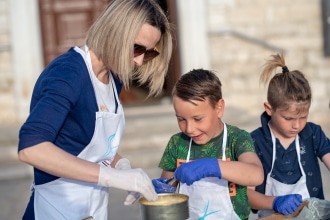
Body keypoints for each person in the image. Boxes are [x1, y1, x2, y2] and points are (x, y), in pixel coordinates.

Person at [18, 0, 173, 219]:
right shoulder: (68, 74)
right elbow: (31, 148)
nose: (139, 62)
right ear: (113, 31)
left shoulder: (114, 78)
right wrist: (111, 177)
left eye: (148, 53)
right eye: (136, 48)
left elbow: (86, 142)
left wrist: (121, 166)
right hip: (55, 210)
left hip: (92, 212)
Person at [152, 69, 264, 220]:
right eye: (181, 119)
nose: (189, 129)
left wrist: (212, 166)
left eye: (197, 119)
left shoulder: (237, 139)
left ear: (219, 108)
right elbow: (168, 190)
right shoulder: (177, 143)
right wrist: (159, 192)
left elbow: (256, 175)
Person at [247, 54, 330, 217]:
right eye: (289, 118)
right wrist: (275, 202)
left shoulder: (313, 134)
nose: (297, 125)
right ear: (269, 109)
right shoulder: (254, 141)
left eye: (303, 117)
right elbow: (247, 196)